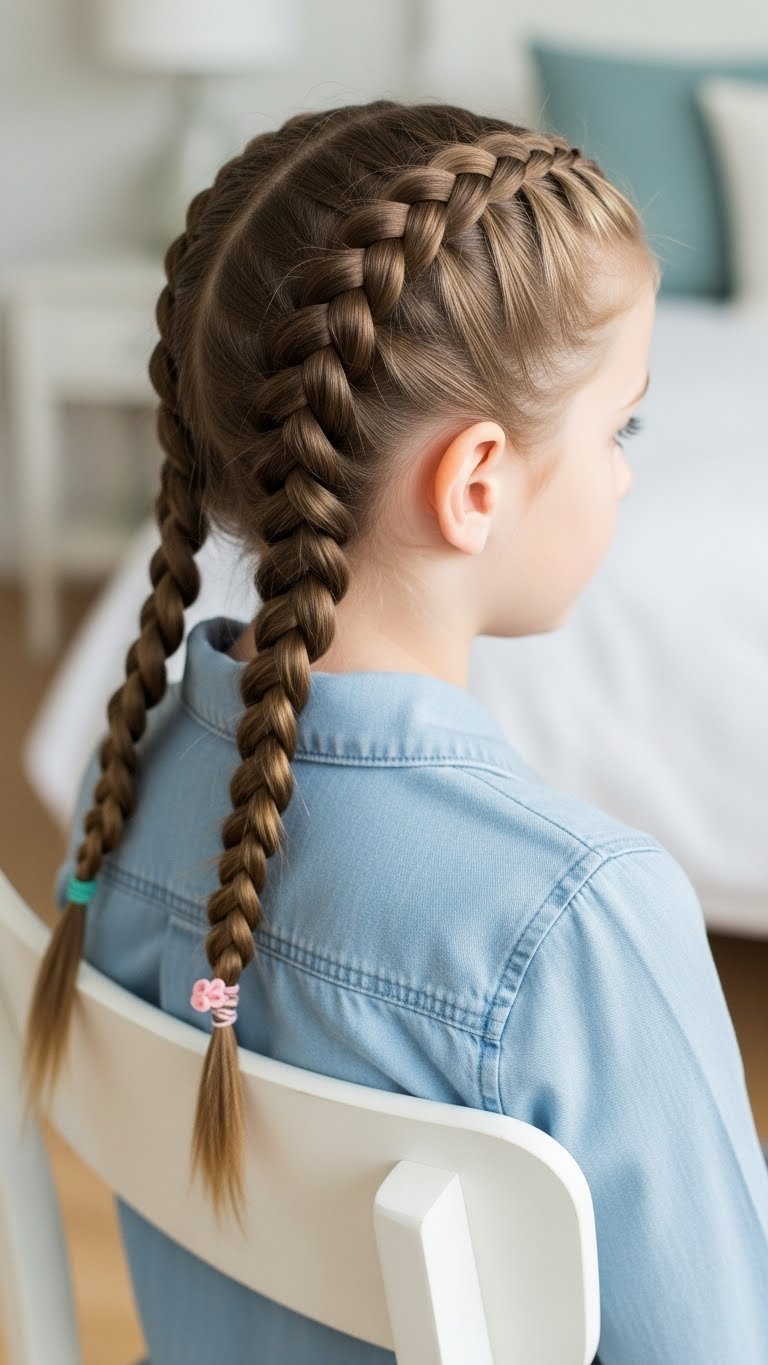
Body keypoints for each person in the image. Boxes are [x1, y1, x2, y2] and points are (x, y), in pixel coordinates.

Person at [22, 100, 768, 1363]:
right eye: (619, 427)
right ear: (476, 485)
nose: (628, 471)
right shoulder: (577, 921)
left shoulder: (119, 782)